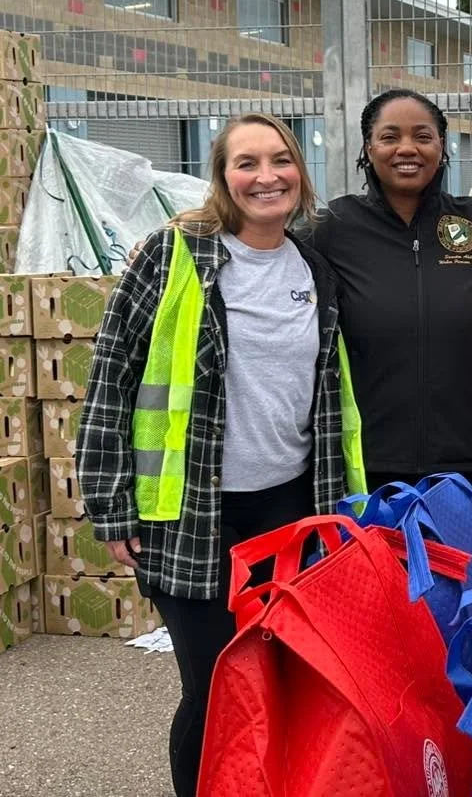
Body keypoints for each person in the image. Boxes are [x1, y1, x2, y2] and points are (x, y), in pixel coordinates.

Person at [77, 113, 343, 797]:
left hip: (288, 510)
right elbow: (112, 377)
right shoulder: (172, 255)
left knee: (282, 677)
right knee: (215, 685)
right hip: (193, 514)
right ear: (222, 177)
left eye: (280, 160)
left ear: (299, 172)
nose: (266, 176)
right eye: (246, 163)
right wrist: (111, 508)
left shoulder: (312, 264)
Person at [307, 88, 472, 535]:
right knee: (381, 603)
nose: (407, 148)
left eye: (423, 136)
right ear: (369, 148)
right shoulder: (332, 230)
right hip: (368, 472)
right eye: (390, 136)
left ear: (442, 148)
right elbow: (260, 250)